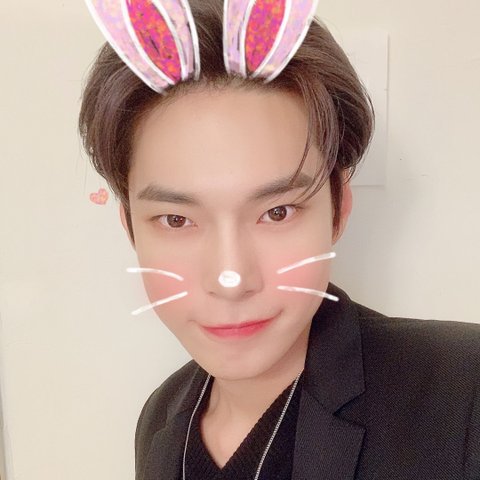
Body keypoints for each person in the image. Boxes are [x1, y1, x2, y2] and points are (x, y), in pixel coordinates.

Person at [79, 0, 480, 479]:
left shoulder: (465, 394)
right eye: (176, 220)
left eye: (277, 212)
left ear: (338, 210)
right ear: (130, 228)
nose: (230, 279)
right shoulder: (159, 417)